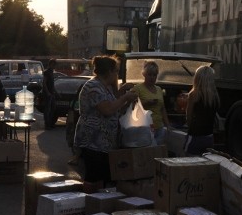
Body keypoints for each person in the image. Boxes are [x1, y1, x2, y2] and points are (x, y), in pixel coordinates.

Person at [73, 55, 138, 192]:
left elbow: (114, 107)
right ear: (109, 71)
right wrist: (125, 97)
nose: (117, 74)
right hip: (93, 142)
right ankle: (90, 201)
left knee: (102, 178)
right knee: (93, 177)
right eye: (116, 71)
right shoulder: (93, 86)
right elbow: (107, 109)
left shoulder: (105, 87)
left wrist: (124, 98)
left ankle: (99, 201)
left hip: (104, 143)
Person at [133, 60, 172, 145]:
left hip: (159, 127)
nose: (152, 77)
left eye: (154, 75)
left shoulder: (159, 89)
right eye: (149, 74)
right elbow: (132, 107)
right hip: (145, 127)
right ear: (144, 74)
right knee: (147, 150)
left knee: (157, 149)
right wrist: (146, 103)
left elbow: (162, 108)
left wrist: (168, 125)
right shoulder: (137, 88)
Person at [184, 65, 220, 155]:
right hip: (209, 137)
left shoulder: (193, 94)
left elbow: (188, 116)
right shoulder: (215, 96)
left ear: (197, 78)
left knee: (188, 159)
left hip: (195, 136)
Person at [42, 59, 57, 129]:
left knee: (53, 108)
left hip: (52, 93)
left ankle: (50, 123)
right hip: (47, 94)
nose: (55, 66)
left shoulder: (52, 72)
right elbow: (44, 83)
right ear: (50, 64)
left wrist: (56, 92)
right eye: (54, 65)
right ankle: (47, 124)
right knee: (47, 109)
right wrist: (47, 92)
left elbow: (52, 84)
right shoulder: (47, 72)